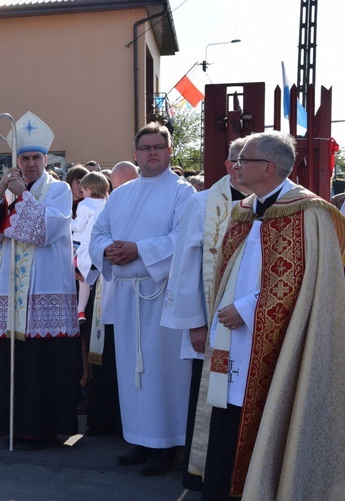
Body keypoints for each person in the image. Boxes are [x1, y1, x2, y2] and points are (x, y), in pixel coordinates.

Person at [189, 131, 345, 499]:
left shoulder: (310, 212)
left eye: (243, 161)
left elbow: (304, 280)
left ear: (268, 168)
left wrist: (245, 310)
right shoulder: (244, 209)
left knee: (267, 413)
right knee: (227, 412)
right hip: (231, 335)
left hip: (278, 338)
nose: (236, 167)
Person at [90, 122, 194, 474]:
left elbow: (185, 237)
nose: (152, 152)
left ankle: (167, 446)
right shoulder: (121, 193)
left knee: (164, 372)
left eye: (159, 147)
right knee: (133, 372)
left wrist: (138, 250)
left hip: (163, 296)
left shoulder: (182, 193)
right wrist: (108, 250)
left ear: (168, 152)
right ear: (136, 154)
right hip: (127, 296)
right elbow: (99, 232)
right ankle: (140, 439)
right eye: (146, 147)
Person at [0, 111, 79, 450]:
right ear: (17, 160)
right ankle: (14, 424)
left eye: (37, 157)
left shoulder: (60, 189)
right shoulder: (8, 190)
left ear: (46, 160)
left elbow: (44, 231)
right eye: (25, 157)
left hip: (47, 286)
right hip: (12, 287)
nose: (31, 163)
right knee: (15, 358)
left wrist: (22, 195)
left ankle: (47, 427)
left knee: (44, 361)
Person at [160, 137, 250, 491]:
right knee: (211, 396)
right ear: (229, 166)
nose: (242, 168)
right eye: (238, 162)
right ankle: (204, 472)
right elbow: (184, 267)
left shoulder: (274, 203)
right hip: (213, 323)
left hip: (251, 320)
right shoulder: (202, 203)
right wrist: (195, 322)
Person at [84, 161, 139, 437]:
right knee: (106, 357)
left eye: (128, 183)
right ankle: (104, 418)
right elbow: (88, 245)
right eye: (118, 185)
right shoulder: (107, 208)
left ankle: (128, 423)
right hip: (108, 288)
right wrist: (105, 251)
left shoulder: (146, 208)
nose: (123, 189)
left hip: (140, 293)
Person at [70, 171, 109, 323]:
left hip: (82, 246)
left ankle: (80, 310)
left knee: (82, 280)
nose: (82, 192)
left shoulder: (84, 204)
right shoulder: (107, 203)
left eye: (84, 189)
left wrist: (67, 221)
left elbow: (78, 226)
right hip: (100, 247)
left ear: (90, 190)